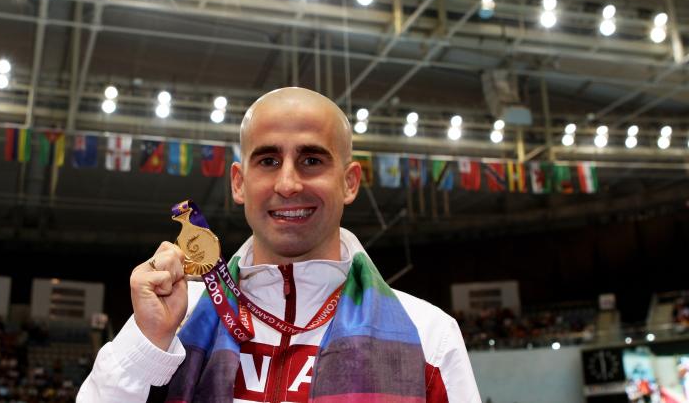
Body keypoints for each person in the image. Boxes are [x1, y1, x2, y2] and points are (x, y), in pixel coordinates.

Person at [78, 87, 480, 402]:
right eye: (268, 161)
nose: (288, 184)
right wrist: (146, 341)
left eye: (312, 161)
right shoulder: (177, 318)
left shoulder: (428, 336)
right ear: (239, 182)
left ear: (350, 182)